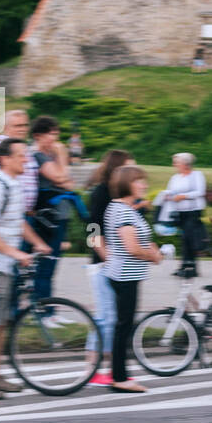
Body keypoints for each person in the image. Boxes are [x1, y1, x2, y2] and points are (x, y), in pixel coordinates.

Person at [0, 138, 51, 399]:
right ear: (5, 159)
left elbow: (16, 222)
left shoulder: (13, 186)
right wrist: (14, 252)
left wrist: (37, 243)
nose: (26, 159)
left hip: (3, 267)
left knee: (0, 324)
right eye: (21, 155)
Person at [104, 164, 162, 391]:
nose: (144, 185)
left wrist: (149, 248)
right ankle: (119, 378)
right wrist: (153, 256)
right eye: (139, 181)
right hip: (124, 275)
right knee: (123, 326)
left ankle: (121, 374)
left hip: (126, 274)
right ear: (127, 184)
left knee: (123, 325)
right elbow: (131, 248)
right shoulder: (122, 210)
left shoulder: (123, 208)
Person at [85, 150, 132, 387]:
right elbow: (92, 230)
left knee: (113, 318)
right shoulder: (101, 193)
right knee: (104, 318)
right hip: (102, 264)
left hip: (115, 264)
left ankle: (112, 368)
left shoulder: (118, 196)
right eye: (129, 169)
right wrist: (107, 258)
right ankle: (92, 366)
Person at [28, 116, 74, 305]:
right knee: (46, 266)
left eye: (57, 134)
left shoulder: (48, 157)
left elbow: (69, 183)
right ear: (39, 135)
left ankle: (47, 309)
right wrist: (62, 156)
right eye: (52, 134)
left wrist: (63, 178)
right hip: (47, 217)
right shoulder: (38, 156)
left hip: (58, 216)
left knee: (50, 265)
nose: (56, 139)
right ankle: (44, 310)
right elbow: (61, 177)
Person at [157, 152, 207, 278]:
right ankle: (186, 265)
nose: (174, 165)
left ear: (185, 164)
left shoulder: (197, 175)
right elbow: (171, 190)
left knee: (189, 238)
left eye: (176, 162)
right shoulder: (175, 178)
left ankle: (190, 266)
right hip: (180, 212)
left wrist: (184, 196)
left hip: (193, 211)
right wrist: (167, 195)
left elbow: (200, 192)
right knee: (184, 238)